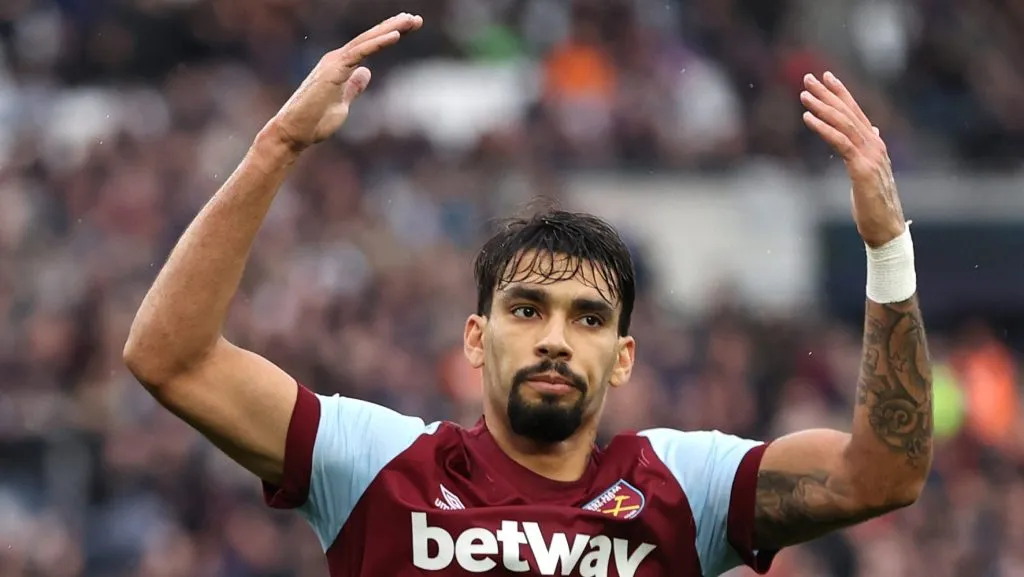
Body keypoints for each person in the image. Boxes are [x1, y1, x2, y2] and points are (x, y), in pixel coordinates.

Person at [123, 13, 933, 577]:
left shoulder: (687, 486)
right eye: (526, 309)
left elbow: (881, 475)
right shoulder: (376, 463)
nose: (555, 336)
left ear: (623, 358)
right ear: (476, 338)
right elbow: (170, 358)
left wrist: (887, 246)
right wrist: (278, 144)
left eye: (589, 318)